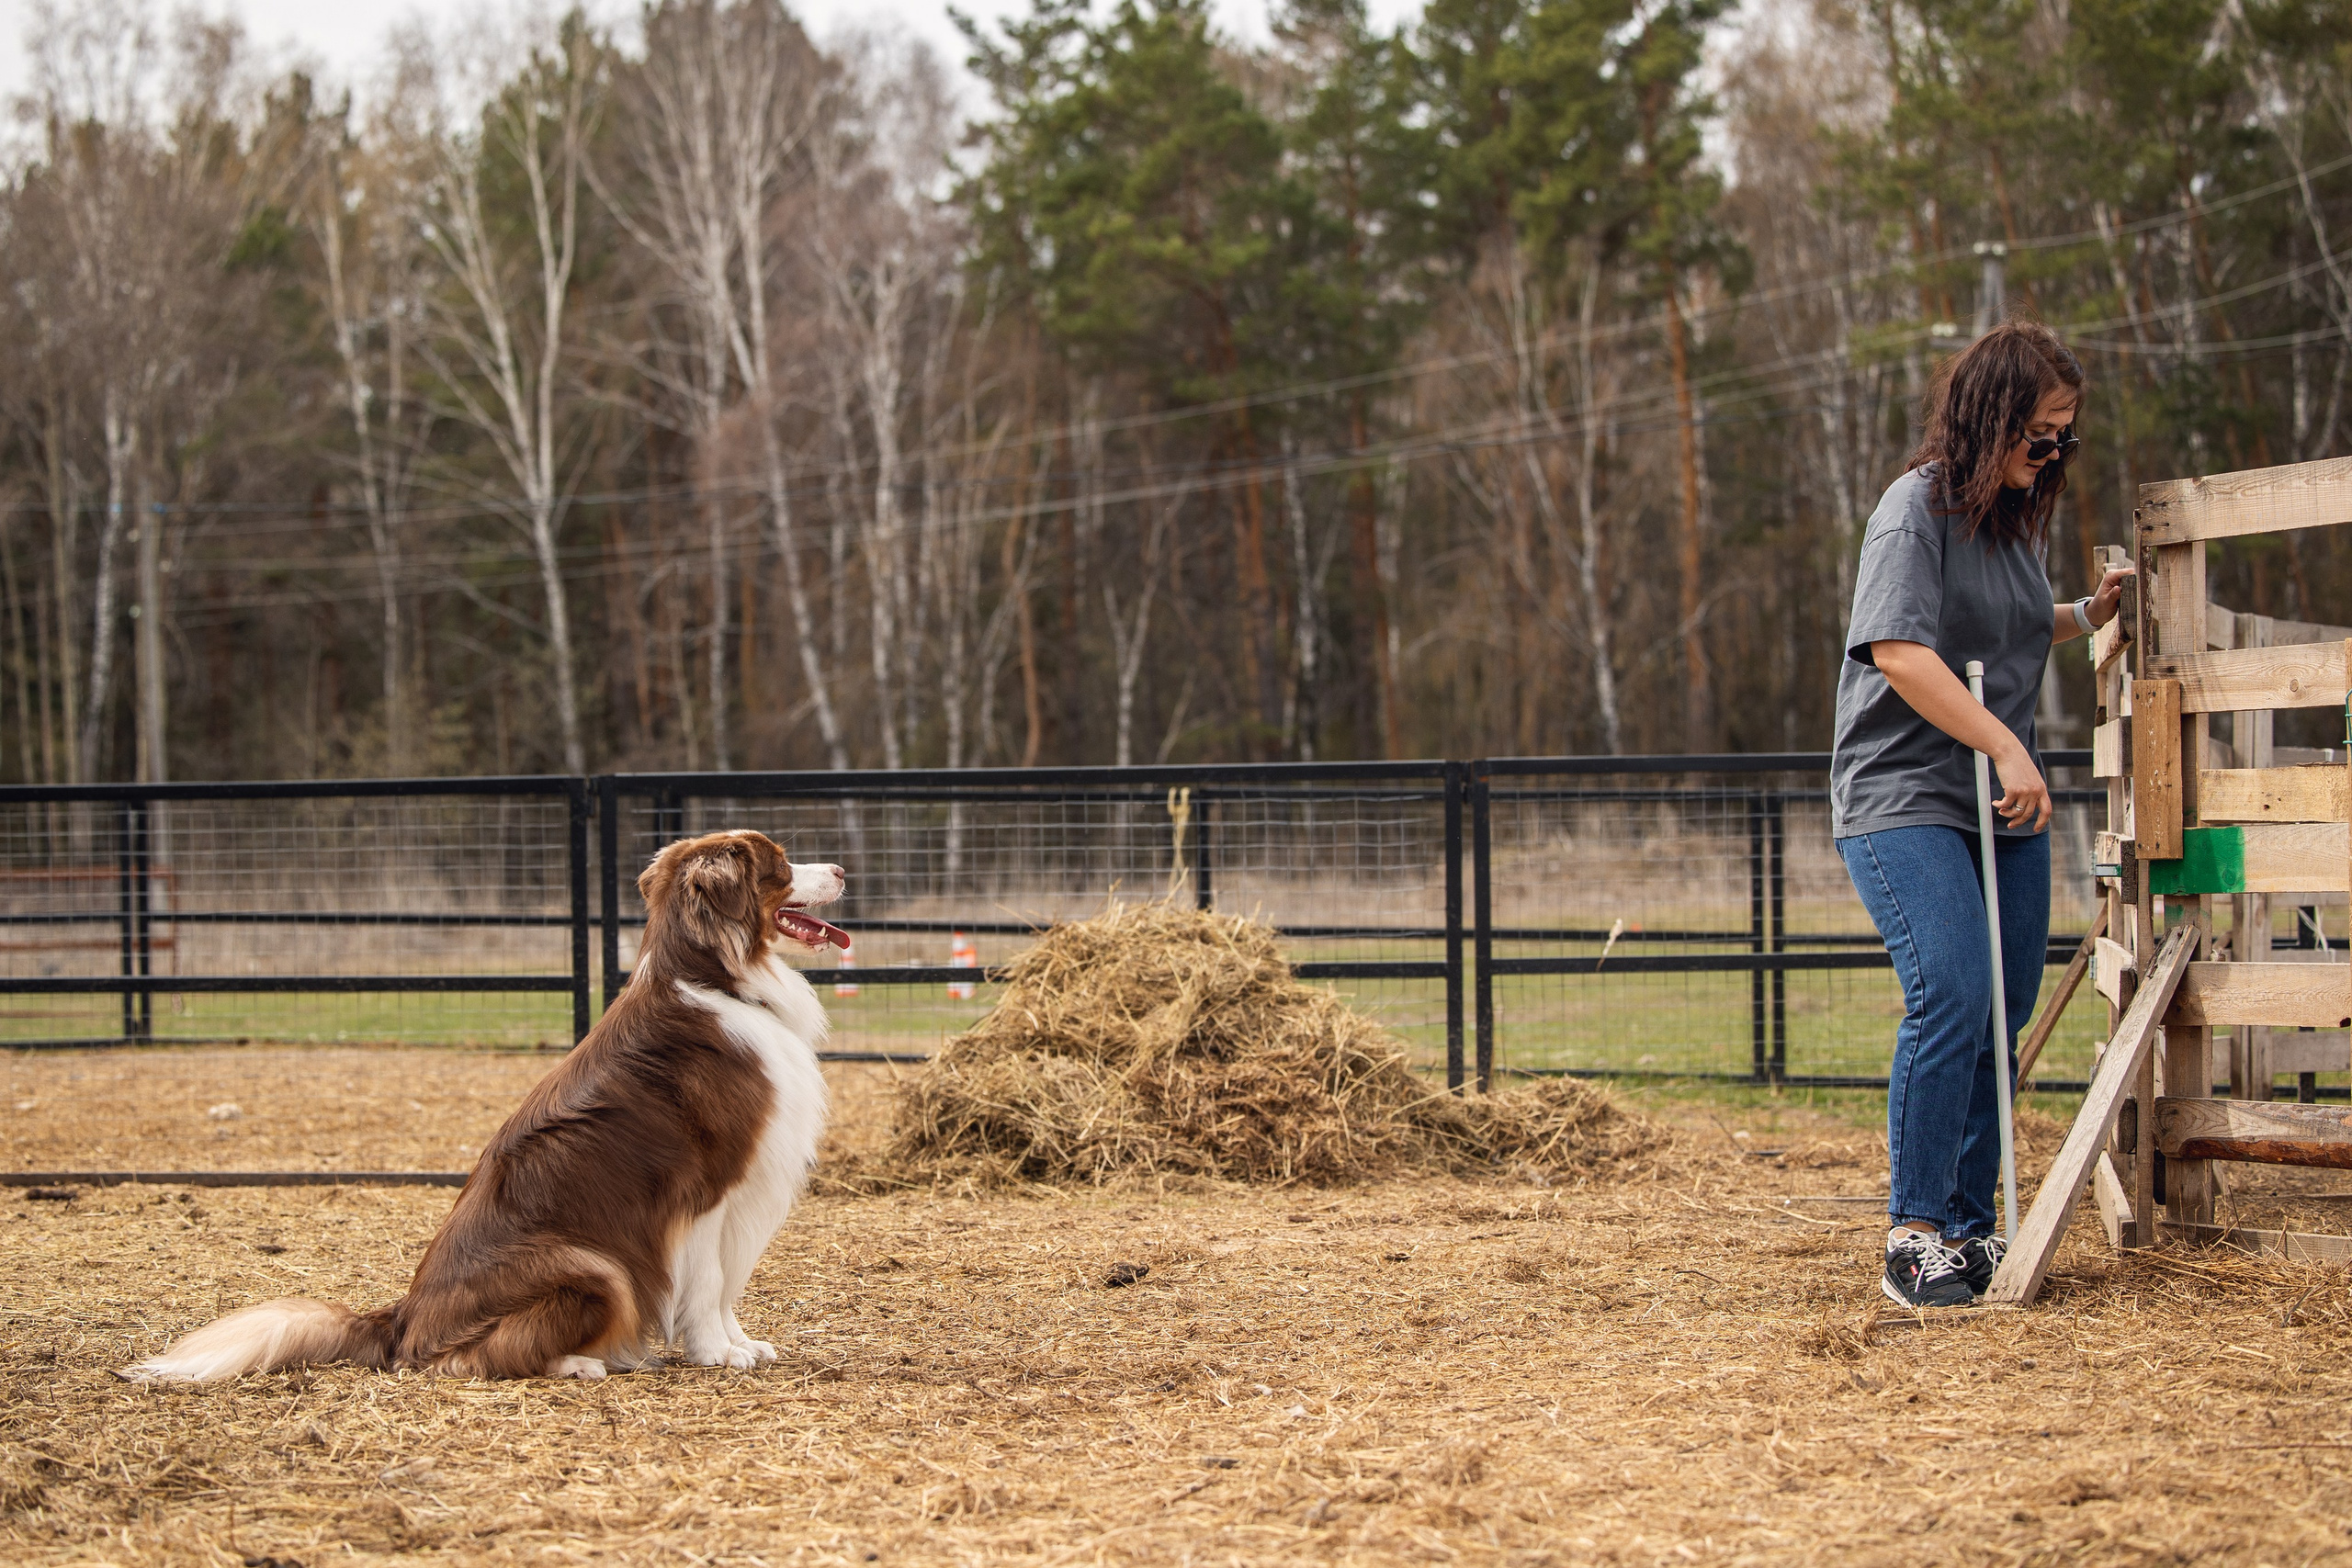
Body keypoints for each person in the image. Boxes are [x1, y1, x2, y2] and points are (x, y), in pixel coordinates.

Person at [1830, 321, 2132, 1308]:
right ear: (1990, 418)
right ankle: (1911, 1234)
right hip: (1906, 795)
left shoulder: (2009, 527)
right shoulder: (1911, 510)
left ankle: (1968, 1230)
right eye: (2039, 435)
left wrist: (2086, 615)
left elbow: (2003, 621)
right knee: (1952, 994)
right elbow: (1899, 648)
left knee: (1999, 1013)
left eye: (2064, 440)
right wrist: (2004, 741)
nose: (2049, 455)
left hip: (1994, 803)